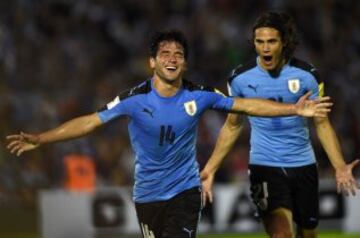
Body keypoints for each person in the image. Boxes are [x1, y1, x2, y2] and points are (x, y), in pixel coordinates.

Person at [6, 30, 331, 238]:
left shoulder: (199, 95)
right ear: (152, 62)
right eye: (165, 53)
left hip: (185, 193)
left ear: (185, 64)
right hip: (146, 197)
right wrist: (41, 138)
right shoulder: (134, 99)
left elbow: (246, 106)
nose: (172, 58)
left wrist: (294, 109)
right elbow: (90, 122)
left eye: (178, 54)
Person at [200, 12, 360, 238]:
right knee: (281, 235)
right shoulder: (240, 79)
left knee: (308, 234)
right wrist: (210, 168)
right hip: (264, 164)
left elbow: (322, 123)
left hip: (303, 164)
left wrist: (340, 165)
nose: (265, 48)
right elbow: (233, 125)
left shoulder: (308, 76)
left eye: (272, 41)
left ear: (284, 42)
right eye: (260, 42)